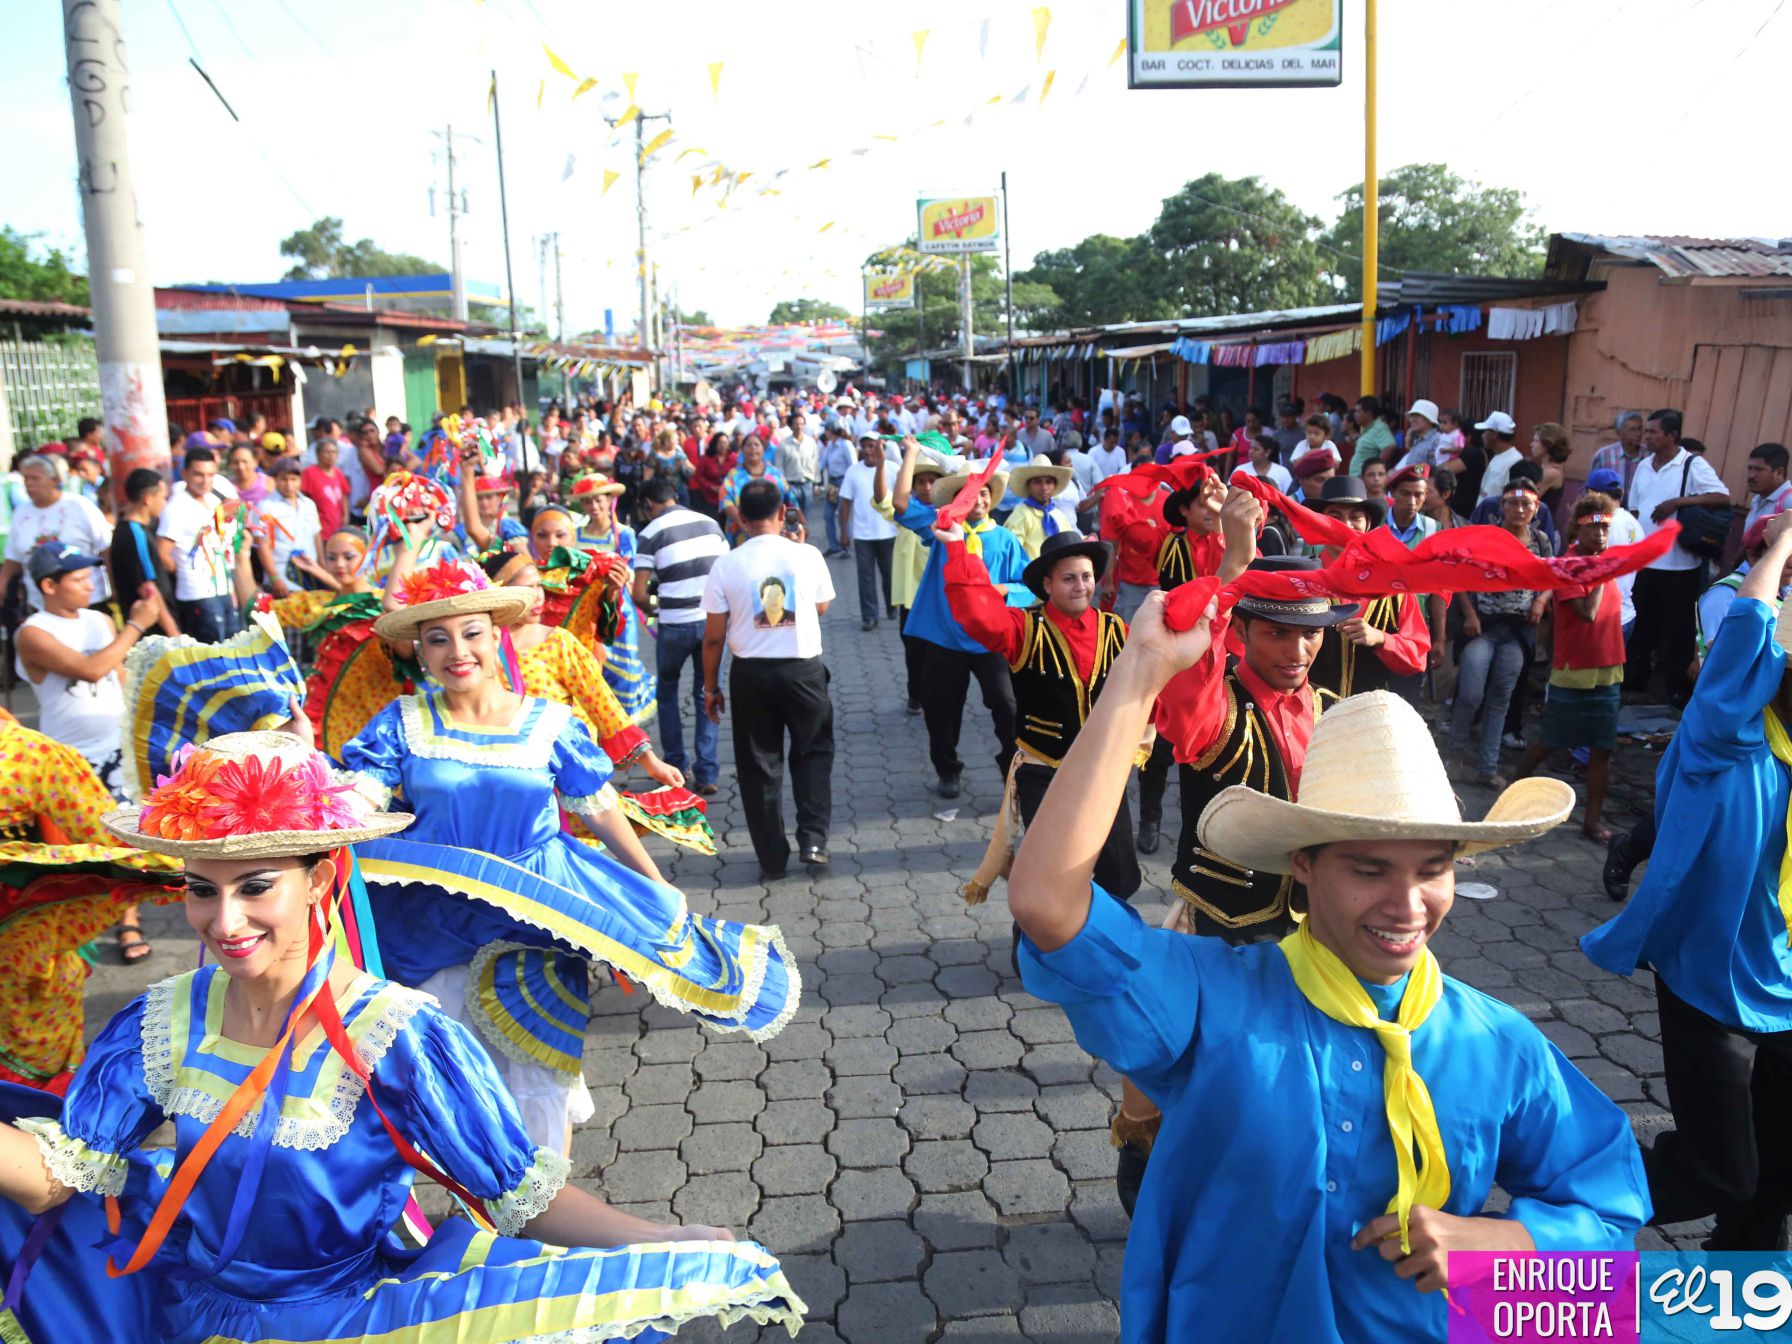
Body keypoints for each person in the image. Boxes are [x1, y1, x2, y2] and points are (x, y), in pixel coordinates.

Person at [0, 730, 803, 1343]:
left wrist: (660, 1240)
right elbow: (59, 1179)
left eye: (255, 887)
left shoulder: (395, 1034)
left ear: (320, 878)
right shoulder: (159, 1020)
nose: (224, 921)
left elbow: (519, 1194)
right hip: (187, 1316)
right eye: (200, 891)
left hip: (348, 1321)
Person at [1011, 608, 1647, 1341]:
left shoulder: (1498, 1044)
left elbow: (1607, 1211)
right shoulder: (1216, 999)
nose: (1407, 905)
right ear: (1305, 866)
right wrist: (1139, 673)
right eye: (1369, 869)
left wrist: (1516, 1245)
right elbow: (1048, 902)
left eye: (1434, 871)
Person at [345, 557, 799, 1146]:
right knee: (445, 1051)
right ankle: (479, 1174)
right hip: (435, 910)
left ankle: (541, 1194)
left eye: (472, 633)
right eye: (438, 639)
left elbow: (598, 806)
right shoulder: (399, 723)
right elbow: (355, 805)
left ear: (496, 636)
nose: (458, 651)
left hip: (539, 906)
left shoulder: (548, 723)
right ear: (422, 651)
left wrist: (651, 878)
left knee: (538, 1052)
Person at [1583, 510, 1792, 1249]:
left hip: (1787, 991)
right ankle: (1530, 1236)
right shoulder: (1728, 739)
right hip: (1713, 982)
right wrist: (1785, 540)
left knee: (1775, 1180)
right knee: (1717, 1172)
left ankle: (1736, 1308)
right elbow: (1745, 628)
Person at [942, 522, 1142, 908]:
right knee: (1048, 873)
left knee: (1119, 872)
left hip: (1104, 772)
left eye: (1086, 576)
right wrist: (955, 549)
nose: (1080, 586)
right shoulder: (1024, 628)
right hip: (1043, 771)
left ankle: (1106, 945)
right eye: (1068, 578)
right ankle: (1034, 951)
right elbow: (977, 614)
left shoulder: (1116, 628)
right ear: (1047, 586)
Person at [701, 479, 836, 878]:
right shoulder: (807, 554)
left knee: (759, 764)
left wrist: (711, 688)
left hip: (751, 674)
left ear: (741, 518)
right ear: (782, 513)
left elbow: (713, 636)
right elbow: (823, 606)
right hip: (803, 671)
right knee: (812, 752)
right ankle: (813, 840)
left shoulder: (726, 563)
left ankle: (772, 857)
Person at [896, 462, 1034, 800]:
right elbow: (899, 504)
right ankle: (947, 770)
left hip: (991, 640)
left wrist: (1004, 591)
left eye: (984, 492)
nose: (979, 500)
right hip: (945, 638)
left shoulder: (1005, 539)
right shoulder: (943, 530)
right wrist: (910, 452)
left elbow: (1031, 587)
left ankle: (1012, 769)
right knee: (941, 708)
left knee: (1008, 705)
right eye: (970, 494)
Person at [1513, 492, 1626, 844]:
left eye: (1607, 529)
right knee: (1550, 740)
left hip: (1609, 667)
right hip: (1573, 668)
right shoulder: (1568, 567)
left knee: (1602, 748)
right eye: (1595, 529)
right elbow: (1587, 613)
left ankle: (1591, 822)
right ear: (1579, 529)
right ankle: (1512, 797)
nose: (1603, 537)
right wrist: (1604, 572)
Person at [1448, 478, 1554, 789]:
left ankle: (1487, 767)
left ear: (1536, 508)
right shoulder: (1485, 538)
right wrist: (1468, 614)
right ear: (1502, 506)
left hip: (1518, 631)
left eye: (1526, 504)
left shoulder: (1541, 540)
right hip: (1483, 627)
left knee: (1500, 699)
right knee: (1470, 693)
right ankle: (1453, 755)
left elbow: (1550, 577)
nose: (1519, 509)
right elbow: (1459, 578)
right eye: (1512, 503)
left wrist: (1541, 600)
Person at [1626, 408, 1732, 703]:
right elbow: (1635, 508)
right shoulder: (1645, 465)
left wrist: (1677, 502)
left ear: (1672, 436)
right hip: (1645, 561)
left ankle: (1677, 686)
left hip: (1679, 564)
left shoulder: (1691, 464)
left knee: (1678, 629)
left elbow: (1722, 496)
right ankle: (1636, 677)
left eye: (1653, 432)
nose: (1647, 437)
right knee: (1642, 623)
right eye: (1646, 432)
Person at [633, 475, 728, 795]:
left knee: (668, 693)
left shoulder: (649, 533)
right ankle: (708, 772)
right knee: (707, 692)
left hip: (673, 625)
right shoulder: (710, 523)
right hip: (711, 624)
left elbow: (639, 593)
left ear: (647, 505)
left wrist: (655, 608)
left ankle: (675, 764)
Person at [1305, 478, 1431, 702]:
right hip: (1307, 716)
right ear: (1319, 524)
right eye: (1335, 517)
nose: (1346, 525)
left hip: (1368, 717)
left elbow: (1418, 656)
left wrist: (1382, 639)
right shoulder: (1301, 580)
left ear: (1368, 525)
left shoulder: (1393, 586)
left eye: (1355, 517)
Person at [0, 454, 113, 615]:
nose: (29, 484)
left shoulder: (79, 506)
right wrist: (3, 583)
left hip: (87, 599)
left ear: (55, 479)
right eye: (26, 479)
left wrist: (114, 586)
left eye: (35, 478)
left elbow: (105, 547)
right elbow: (13, 557)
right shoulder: (21, 512)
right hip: (42, 604)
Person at [156, 446, 239, 642]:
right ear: (185, 473)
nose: (205, 480)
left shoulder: (213, 500)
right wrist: (188, 572)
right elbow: (163, 553)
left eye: (211, 474)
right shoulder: (177, 507)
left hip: (223, 588)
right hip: (197, 593)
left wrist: (230, 588)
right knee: (211, 655)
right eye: (198, 474)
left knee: (233, 648)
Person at [837, 432, 900, 632]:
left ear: (881, 447)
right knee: (865, 577)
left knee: (889, 575)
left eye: (872, 446)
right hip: (863, 534)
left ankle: (892, 605)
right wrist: (844, 532)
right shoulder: (853, 472)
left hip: (889, 532)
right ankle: (869, 617)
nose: (868, 450)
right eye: (864, 446)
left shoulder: (892, 469)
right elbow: (845, 503)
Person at [107, 467, 180, 636]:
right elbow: (147, 587)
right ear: (148, 499)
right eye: (163, 498)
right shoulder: (135, 534)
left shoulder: (131, 528)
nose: (165, 503)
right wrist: (173, 631)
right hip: (153, 629)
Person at [257, 457, 323, 594]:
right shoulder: (265, 507)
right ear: (275, 479)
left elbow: (316, 536)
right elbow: (263, 545)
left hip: (311, 575)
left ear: (300, 480)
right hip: (283, 578)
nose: (289, 484)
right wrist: (274, 578)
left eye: (293, 479)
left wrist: (323, 568)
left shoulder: (309, 505)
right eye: (283, 479)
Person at [1003, 454, 1078, 560]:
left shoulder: (1059, 515)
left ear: (1055, 485)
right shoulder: (1021, 514)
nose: (1044, 488)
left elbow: (1069, 541)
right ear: (1029, 486)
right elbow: (1011, 550)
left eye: (1048, 482)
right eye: (1037, 482)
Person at [720, 435, 790, 543]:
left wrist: (801, 522)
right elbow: (726, 502)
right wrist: (745, 526)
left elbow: (790, 498)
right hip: (741, 535)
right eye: (748, 445)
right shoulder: (733, 475)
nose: (753, 448)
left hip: (774, 535)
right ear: (742, 450)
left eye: (757, 445)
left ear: (763, 448)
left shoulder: (775, 474)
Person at [1589, 411, 1647, 501]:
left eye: (1640, 429)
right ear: (1619, 432)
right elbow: (1592, 488)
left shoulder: (1649, 455)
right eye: (1632, 429)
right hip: (1611, 511)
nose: (1638, 434)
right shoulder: (1604, 455)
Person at [1383, 464, 1438, 548]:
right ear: (1393, 492)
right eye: (1405, 494)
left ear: (1426, 494)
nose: (1412, 502)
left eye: (1418, 495)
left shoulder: (1433, 527)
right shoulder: (1375, 524)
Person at [1475, 412, 1525, 502]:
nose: (1482, 435)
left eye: (1486, 431)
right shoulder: (1499, 455)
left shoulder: (1514, 461)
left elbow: (1512, 496)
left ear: (1495, 434)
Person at [1745, 441, 1791, 531]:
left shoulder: (1788, 502)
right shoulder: (1757, 500)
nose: (1751, 475)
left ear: (1779, 472)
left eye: (1759, 469)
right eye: (1750, 468)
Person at [1347, 396, 1394, 475]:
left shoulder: (1379, 428)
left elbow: (1390, 446)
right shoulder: (1367, 429)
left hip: (1365, 481)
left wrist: (1373, 471)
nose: (1355, 415)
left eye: (1358, 411)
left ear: (1368, 413)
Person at [1396, 399, 1446, 471]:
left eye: (1418, 415)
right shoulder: (1417, 439)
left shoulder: (1437, 440)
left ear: (1429, 419)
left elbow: (1434, 469)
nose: (1413, 419)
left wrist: (1410, 471)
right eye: (1412, 415)